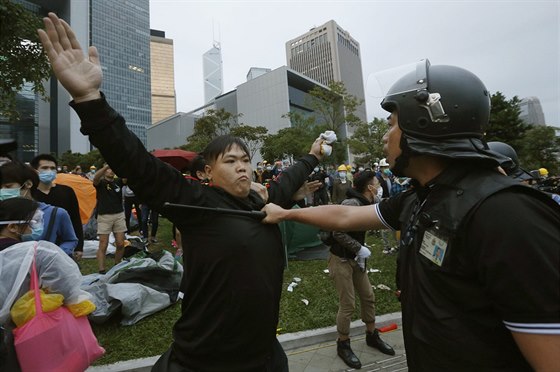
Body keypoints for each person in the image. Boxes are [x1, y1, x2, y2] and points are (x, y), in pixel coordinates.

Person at [38, 13, 325, 371]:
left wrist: (312, 156)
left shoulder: (263, 202)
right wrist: (90, 99)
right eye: (230, 160)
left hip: (264, 355)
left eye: (246, 160)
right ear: (207, 171)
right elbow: (137, 164)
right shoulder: (196, 203)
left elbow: (285, 182)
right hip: (205, 360)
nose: (241, 166)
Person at [262, 60, 560, 370]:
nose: (384, 137)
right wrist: (286, 214)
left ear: (423, 123)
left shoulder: (505, 214)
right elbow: (345, 218)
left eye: (390, 124)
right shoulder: (421, 198)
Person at [0, 197, 94, 371]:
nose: (38, 226)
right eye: (34, 221)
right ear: (12, 227)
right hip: (30, 335)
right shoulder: (39, 253)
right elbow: (69, 288)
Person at [328, 170, 394, 369]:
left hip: (356, 259)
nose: (379, 186)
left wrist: (360, 253)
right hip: (341, 259)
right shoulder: (352, 204)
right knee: (348, 304)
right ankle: (343, 343)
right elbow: (337, 231)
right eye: (377, 183)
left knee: (368, 296)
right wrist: (359, 248)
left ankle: (372, 335)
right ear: (369, 187)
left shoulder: (368, 203)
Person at [0, 161, 78, 256]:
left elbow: (70, 240)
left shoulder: (55, 213)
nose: (2, 191)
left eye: (8, 186)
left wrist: (56, 255)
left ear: (28, 184)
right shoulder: (3, 213)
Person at [30, 154, 84, 260]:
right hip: (36, 246)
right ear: (35, 171)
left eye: (52, 168)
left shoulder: (67, 191)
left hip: (63, 245)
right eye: (45, 168)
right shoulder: (30, 194)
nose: (49, 171)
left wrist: (79, 246)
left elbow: (75, 219)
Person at [92, 164, 126, 274]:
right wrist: (106, 167)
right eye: (108, 169)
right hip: (104, 216)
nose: (110, 171)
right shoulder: (101, 183)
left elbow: (127, 177)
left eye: (112, 169)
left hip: (119, 215)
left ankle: (117, 265)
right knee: (103, 244)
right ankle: (102, 270)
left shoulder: (118, 182)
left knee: (120, 243)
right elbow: (96, 178)